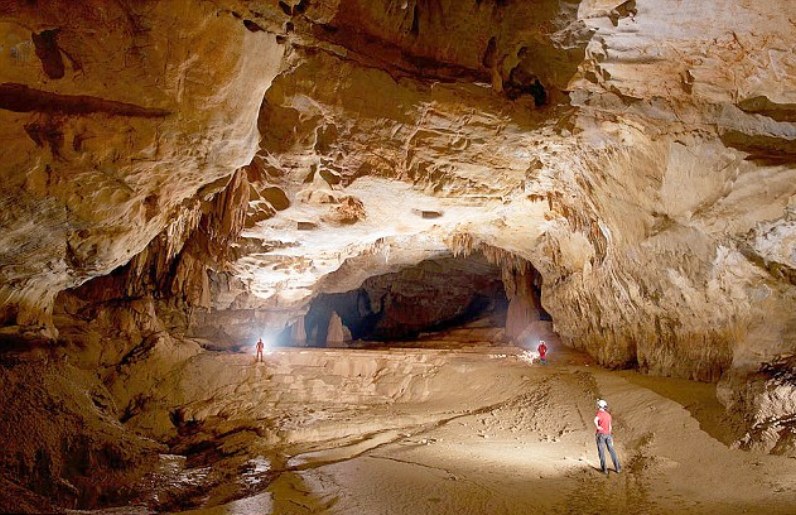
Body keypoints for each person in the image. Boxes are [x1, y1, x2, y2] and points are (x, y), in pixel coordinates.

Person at [594, 399, 621, 475]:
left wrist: (598, 427)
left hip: (601, 435)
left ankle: (604, 470)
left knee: (601, 452)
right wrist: (609, 435)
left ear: (599, 406)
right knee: (612, 451)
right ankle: (618, 468)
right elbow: (610, 427)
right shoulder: (608, 415)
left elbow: (595, 420)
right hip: (608, 435)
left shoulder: (599, 413)